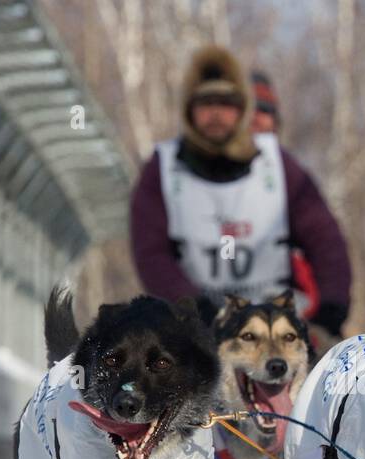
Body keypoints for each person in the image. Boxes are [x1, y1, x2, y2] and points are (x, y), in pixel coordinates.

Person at [130, 46, 351, 337]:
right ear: (190, 110)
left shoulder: (277, 165)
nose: (216, 113)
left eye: (226, 103)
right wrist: (192, 309)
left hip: (278, 322)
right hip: (198, 327)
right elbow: (151, 253)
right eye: (206, 103)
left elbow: (324, 239)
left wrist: (332, 306)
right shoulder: (163, 169)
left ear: (242, 109)